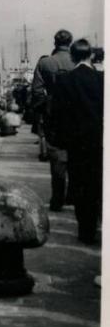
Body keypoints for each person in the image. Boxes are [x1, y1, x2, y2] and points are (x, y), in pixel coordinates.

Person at [51, 39, 104, 243]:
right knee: (99, 185)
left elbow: (58, 114)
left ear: (72, 57)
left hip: (76, 144)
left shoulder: (64, 81)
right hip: (99, 141)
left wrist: (60, 140)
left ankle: (86, 232)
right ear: (90, 55)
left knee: (81, 187)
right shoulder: (102, 79)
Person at [31, 29, 74, 210]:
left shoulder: (45, 63)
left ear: (54, 42)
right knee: (77, 157)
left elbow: (37, 92)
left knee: (57, 157)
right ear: (70, 42)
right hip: (78, 116)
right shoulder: (77, 63)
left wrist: (44, 110)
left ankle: (57, 199)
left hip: (54, 116)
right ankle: (72, 196)